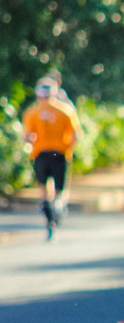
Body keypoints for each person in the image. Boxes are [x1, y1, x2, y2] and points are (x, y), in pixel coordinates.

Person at [21, 76, 81, 239]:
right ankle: (58, 210)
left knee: (43, 190)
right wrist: (68, 149)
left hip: (40, 153)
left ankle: (49, 222)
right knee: (60, 191)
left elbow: (26, 136)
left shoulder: (32, 112)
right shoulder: (65, 110)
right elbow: (76, 135)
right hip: (60, 153)